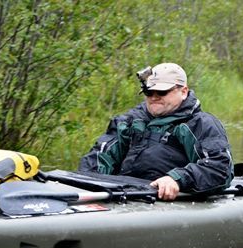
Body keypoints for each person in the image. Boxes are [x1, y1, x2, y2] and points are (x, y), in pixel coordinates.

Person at [78, 63, 233, 201]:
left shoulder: (201, 124)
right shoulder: (129, 122)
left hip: (165, 201)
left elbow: (220, 168)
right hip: (124, 196)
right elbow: (100, 157)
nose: (154, 97)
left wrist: (177, 179)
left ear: (183, 91)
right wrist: (87, 183)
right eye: (149, 92)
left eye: (162, 92)